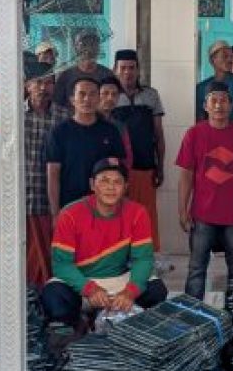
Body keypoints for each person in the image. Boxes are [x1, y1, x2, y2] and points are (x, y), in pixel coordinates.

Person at [42, 158, 167, 328]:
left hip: (119, 280)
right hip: (81, 280)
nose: (111, 187)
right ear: (92, 185)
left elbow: (143, 259)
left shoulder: (138, 213)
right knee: (53, 296)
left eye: (117, 182)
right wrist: (89, 289)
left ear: (125, 188)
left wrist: (131, 291)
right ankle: (82, 324)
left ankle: (120, 320)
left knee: (157, 290)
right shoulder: (70, 214)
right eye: (104, 181)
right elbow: (62, 265)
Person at [178, 81, 233, 299]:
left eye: (223, 100)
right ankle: (192, 314)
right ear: (205, 105)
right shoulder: (194, 134)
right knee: (196, 269)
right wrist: (182, 210)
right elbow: (186, 175)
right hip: (202, 214)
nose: (219, 105)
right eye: (214, 100)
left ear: (231, 105)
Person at [45, 76, 128, 221]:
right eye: (82, 94)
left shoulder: (111, 131)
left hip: (104, 208)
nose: (87, 99)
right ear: (72, 99)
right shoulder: (59, 132)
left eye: (92, 94)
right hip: (69, 207)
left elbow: (119, 172)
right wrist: (55, 213)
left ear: (98, 99)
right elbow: (53, 175)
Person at [111, 49, 166, 249]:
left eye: (132, 68)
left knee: (145, 218)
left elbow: (159, 134)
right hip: (117, 172)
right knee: (119, 218)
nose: (128, 73)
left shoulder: (151, 95)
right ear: (115, 70)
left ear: (138, 70)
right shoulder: (109, 96)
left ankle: (147, 264)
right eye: (123, 68)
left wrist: (160, 167)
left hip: (145, 168)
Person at [23, 69, 56, 287]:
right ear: (27, 85)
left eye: (48, 83)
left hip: (49, 201)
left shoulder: (63, 115)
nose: (42, 88)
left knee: (50, 260)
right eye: (37, 82)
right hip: (20, 200)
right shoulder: (12, 114)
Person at [52, 30, 114, 126]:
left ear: (98, 48)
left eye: (92, 44)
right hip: (72, 128)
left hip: (102, 127)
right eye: (84, 44)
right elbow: (57, 106)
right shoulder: (65, 76)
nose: (88, 49)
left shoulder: (108, 74)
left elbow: (114, 102)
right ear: (76, 48)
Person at [196, 40, 233, 123]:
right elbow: (200, 120)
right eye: (225, 56)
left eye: (231, 56)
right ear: (213, 60)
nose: (230, 60)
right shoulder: (201, 88)